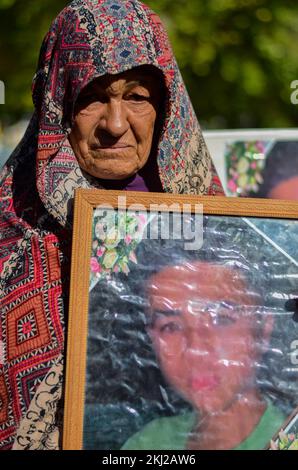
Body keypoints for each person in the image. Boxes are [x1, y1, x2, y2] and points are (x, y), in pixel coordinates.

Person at [0, 0, 223, 451]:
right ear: (58, 104)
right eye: (91, 97)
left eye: (137, 97)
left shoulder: (216, 229)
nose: (115, 124)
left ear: (166, 107)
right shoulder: (11, 234)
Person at [122, 260, 286, 450]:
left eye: (221, 319)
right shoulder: (148, 444)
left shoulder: (290, 433)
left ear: (263, 331)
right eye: (171, 327)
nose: (195, 352)